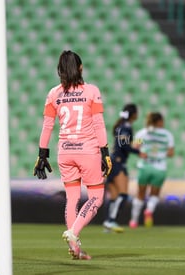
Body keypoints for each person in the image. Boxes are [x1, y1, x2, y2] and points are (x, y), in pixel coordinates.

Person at [33, 50, 112, 260]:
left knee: (72, 198)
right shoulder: (91, 91)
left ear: (60, 71)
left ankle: (75, 247)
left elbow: (47, 126)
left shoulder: (53, 94)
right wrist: (105, 151)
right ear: (81, 68)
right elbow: (98, 124)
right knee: (96, 197)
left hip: (65, 151)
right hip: (87, 150)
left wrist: (42, 155)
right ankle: (73, 233)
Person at [103, 103, 146, 233]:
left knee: (114, 197)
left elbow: (125, 143)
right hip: (118, 163)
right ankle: (110, 221)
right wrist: (139, 152)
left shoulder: (121, 126)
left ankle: (108, 224)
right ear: (133, 114)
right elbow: (124, 145)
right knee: (123, 195)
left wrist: (137, 143)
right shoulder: (126, 127)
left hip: (112, 161)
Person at [129, 112, 174, 228]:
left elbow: (135, 147)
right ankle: (149, 210)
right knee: (154, 194)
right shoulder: (167, 135)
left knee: (140, 194)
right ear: (159, 121)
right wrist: (160, 152)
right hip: (160, 168)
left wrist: (145, 151)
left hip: (145, 166)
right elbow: (171, 153)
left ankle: (134, 221)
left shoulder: (143, 133)